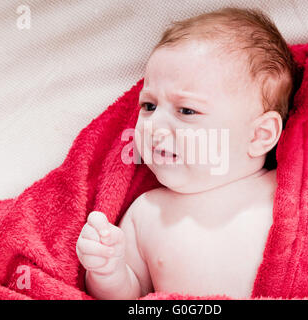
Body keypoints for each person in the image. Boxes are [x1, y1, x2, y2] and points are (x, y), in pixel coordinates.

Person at [76, 7, 295, 299]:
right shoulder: (146, 213)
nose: (154, 126)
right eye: (149, 106)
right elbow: (131, 297)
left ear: (259, 135)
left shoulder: (288, 193)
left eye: (187, 110)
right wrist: (107, 270)